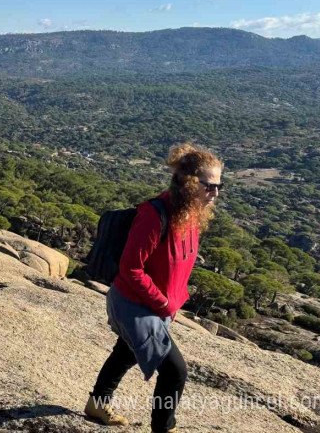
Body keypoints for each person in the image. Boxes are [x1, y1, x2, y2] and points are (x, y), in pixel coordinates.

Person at [84, 144, 222, 433]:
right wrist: (163, 303)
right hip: (134, 302)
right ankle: (164, 427)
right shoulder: (154, 214)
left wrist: (173, 301)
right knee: (175, 371)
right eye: (210, 186)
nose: (216, 193)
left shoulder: (190, 215)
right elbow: (130, 268)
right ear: (189, 183)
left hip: (157, 305)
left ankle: (97, 403)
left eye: (220, 186)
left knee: (126, 351)